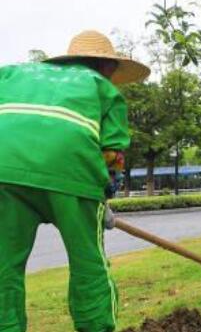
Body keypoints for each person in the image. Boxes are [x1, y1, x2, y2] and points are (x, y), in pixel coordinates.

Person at [0, 30, 150, 331]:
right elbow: (111, 152)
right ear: (107, 67)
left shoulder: (13, 74)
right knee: (88, 265)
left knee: (4, 269)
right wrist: (104, 195)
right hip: (72, 176)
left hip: (5, 172)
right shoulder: (103, 89)